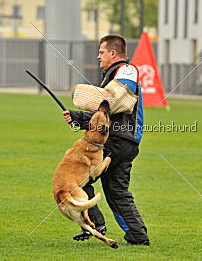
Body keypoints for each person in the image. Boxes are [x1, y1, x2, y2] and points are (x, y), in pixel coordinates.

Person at [62, 35, 149, 245]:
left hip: (117, 142)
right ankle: (137, 236)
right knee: (117, 192)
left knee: (79, 183)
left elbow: (113, 104)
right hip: (123, 142)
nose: (98, 56)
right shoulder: (113, 75)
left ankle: (94, 225)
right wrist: (79, 118)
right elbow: (105, 116)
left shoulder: (126, 70)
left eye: (101, 52)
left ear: (113, 53)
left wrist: (82, 110)